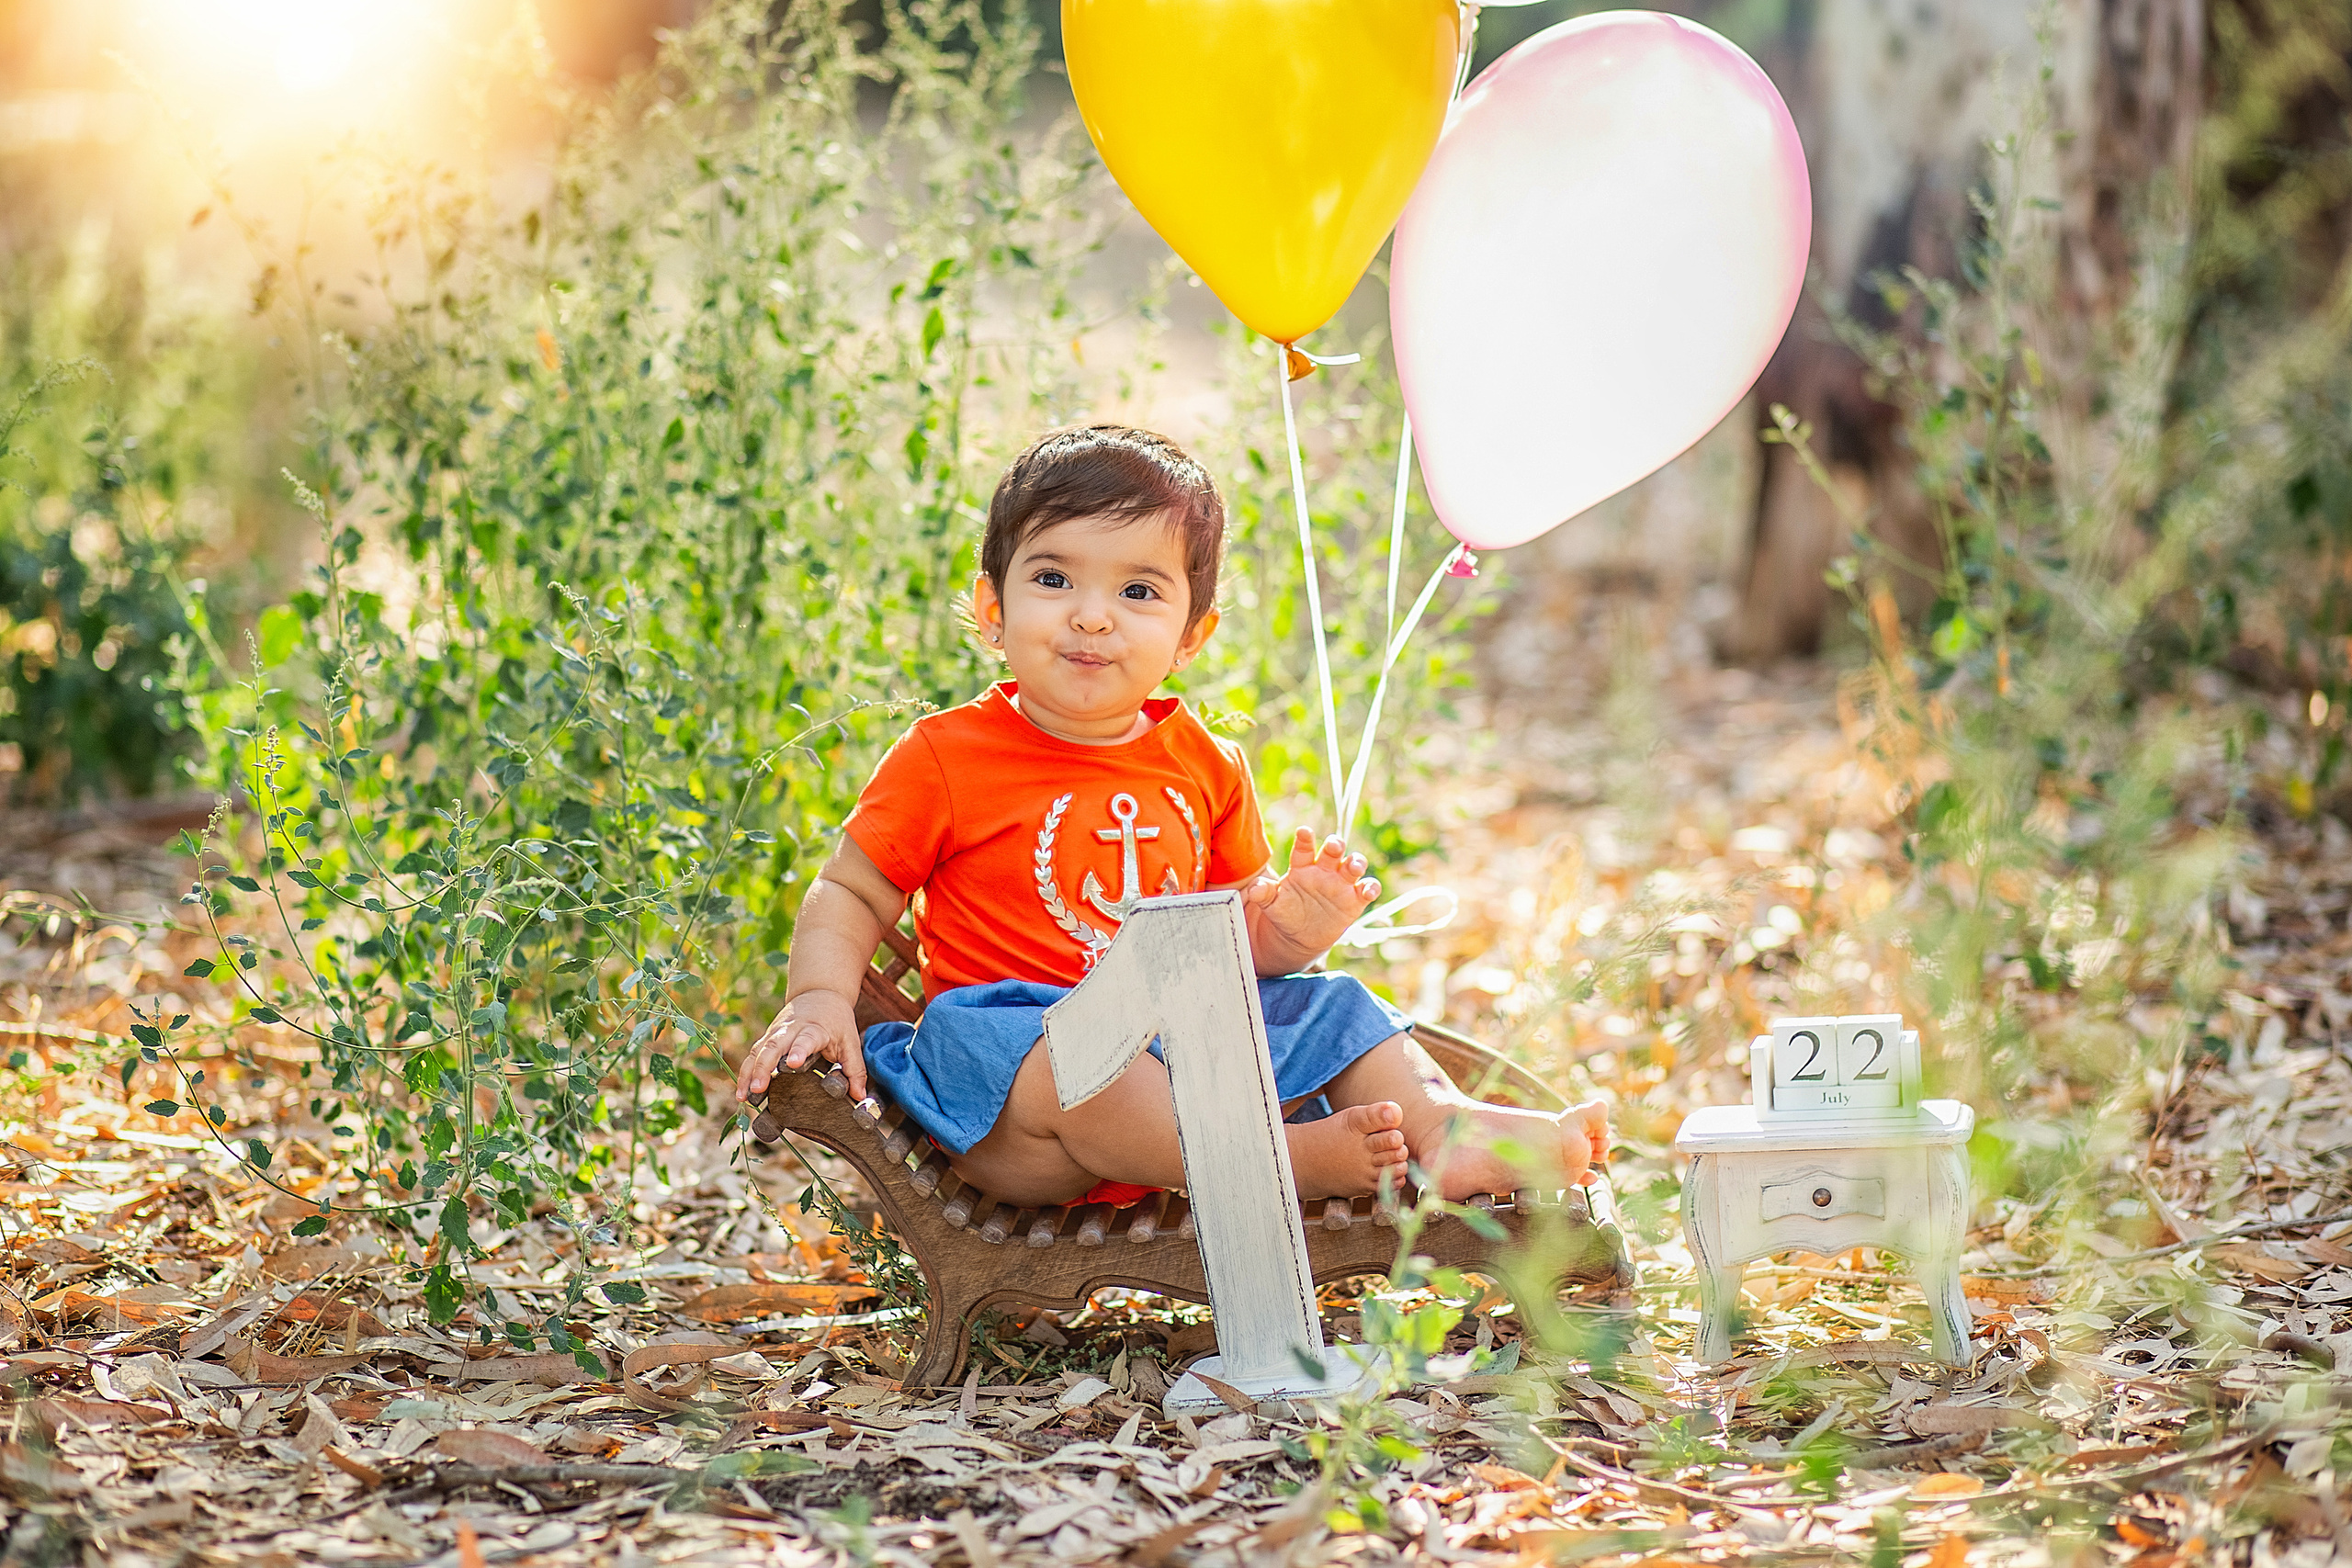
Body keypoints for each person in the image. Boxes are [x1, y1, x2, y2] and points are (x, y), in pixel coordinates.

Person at [734, 423, 1609, 1207]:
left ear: (1193, 633)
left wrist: (1293, 930)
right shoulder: (947, 756)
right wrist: (819, 997)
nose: (1091, 615)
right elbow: (848, 889)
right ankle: (1282, 1162)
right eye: (1053, 577)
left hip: (1181, 1054)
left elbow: (1235, 946)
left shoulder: (1203, 763)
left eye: (1139, 593)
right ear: (994, 609)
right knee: (1076, 1059)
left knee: (1337, 1004)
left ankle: (1440, 1126)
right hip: (1023, 1093)